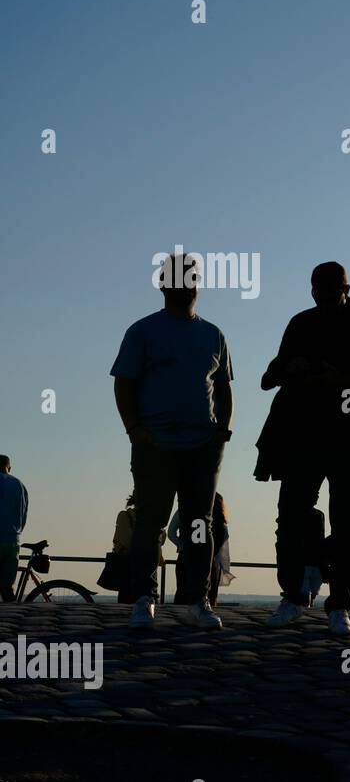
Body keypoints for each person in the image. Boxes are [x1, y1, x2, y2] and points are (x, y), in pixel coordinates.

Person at [262, 262, 350, 637]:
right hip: (303, 435)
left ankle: (339, 604)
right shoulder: (300, 323)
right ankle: (292, 596)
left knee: (347, 521)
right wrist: (294, 367)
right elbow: (269, 377)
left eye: (329, 289)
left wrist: (340, 378)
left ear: (346, 287)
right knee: (290, 516)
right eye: (316, 290)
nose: (321, 296)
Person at [111, 253, 232, 630]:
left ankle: (198, 599)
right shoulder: (142, 331)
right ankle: (143, 598)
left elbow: (223, 387)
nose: (186, 286)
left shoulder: (213, 334)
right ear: (164, 286)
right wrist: (135, 429)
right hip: (156, 445)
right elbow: (124, 382)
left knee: (200, 523)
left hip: (203, 446)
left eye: (191, 279)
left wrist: (222, 431)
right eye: (178, 280)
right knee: (151, 522)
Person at [0, 455, 29, 603]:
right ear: (9, 468)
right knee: (6, 586)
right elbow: (23, 515)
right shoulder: (19, 484)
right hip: (12, 541)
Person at [205, 493, 233, 609]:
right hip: (215, 564)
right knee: (212, 596)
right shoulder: (222, 525)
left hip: (202, 560)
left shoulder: (204, 522)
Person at [301, 508, 327, 608]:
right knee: (310, 592)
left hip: (312, 561)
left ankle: (307, 604)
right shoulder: (319, 515)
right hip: (313, 561)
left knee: (309, 591)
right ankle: (308, 604)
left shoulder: (319, 515)